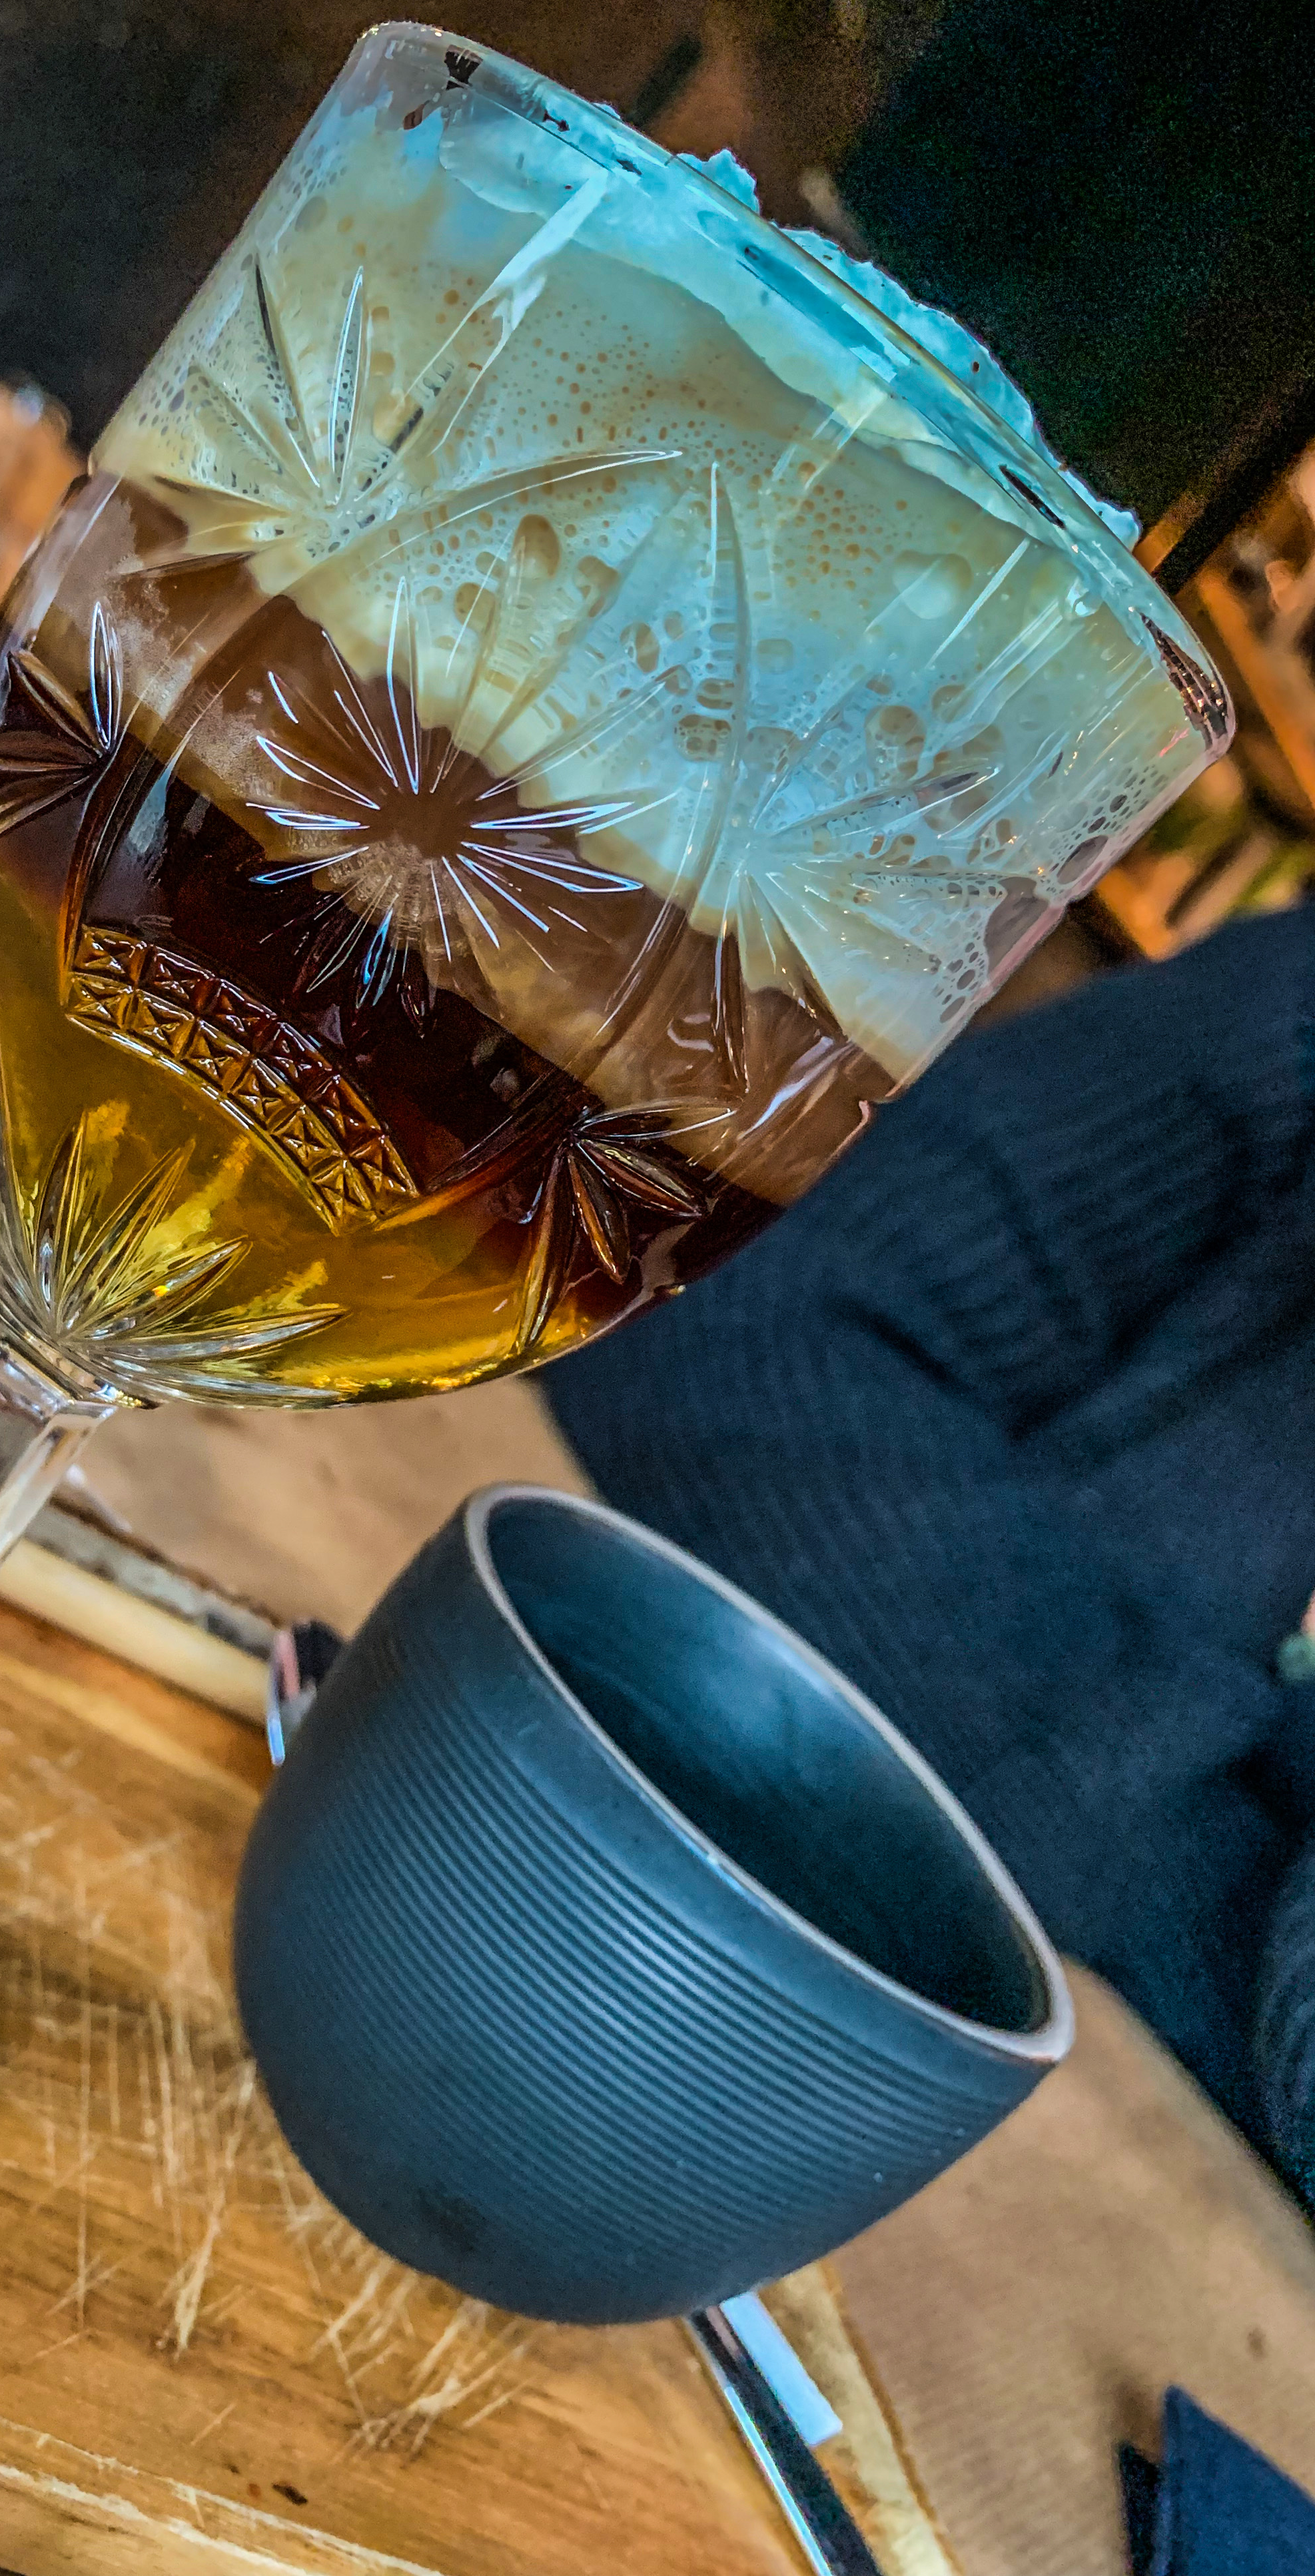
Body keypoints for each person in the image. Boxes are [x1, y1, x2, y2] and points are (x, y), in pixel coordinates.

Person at [544, 906, 1315, 2208]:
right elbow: (730, 1323)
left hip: (1090, 2245)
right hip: (669, 1972)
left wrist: (1076, 1827)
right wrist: (1129, 1841)